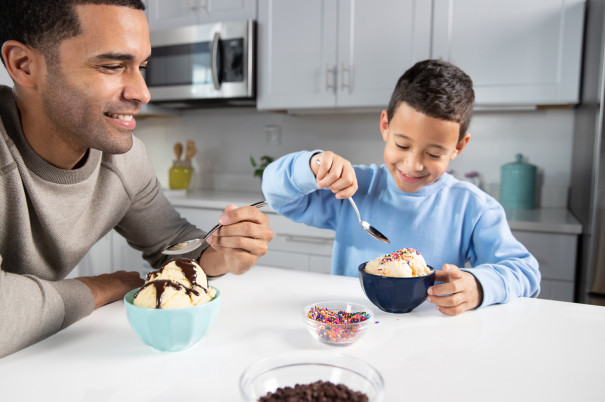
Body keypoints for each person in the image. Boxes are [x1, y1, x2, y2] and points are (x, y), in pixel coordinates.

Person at [0, 0, 273, 358]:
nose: (143, 93)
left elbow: (173, 245)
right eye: (113, 66)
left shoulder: (125, 160)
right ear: (25, 66)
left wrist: (225, 253)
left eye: (141, 66)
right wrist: (105, 286)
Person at [262, 59, 540, 316]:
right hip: (354, 328)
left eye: (433, 154)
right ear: (385, 125)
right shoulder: (351, 189)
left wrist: (479, 286)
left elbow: (525, 272)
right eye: (402, 145)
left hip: (430, 339)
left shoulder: (473, 207)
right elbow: (277, 195)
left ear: (458, 147)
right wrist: (312, 165)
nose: (413, 164)